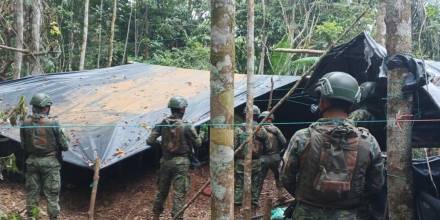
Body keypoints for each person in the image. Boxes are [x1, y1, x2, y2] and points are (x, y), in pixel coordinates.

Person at [280, 72, 384, 220]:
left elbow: (286, 177)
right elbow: (376, 183)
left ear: (323, 102)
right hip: (349, 214)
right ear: (352, 104)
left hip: (306, 212)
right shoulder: (368, 141)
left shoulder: (302, 137)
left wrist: (306, 198)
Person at [147, 96, 201, 220]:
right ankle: (177, 218)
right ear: (182, 110)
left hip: (165, 161)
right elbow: (197, 143)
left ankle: (156, 215)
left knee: (162, 191)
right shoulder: (187, 126)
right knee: (179, 193)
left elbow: (150, 141)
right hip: (181, 163)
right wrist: (201, 135)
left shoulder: (162, 123)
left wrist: (161, 146)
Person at [20, 93, 69, 220]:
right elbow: (65, 146)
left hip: (32, 162)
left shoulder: (25, 123)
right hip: (50, 163)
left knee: (32, 193)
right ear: (46, 108)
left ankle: (31, 217)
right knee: (52, 196)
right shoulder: (53, 123)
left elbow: (23, 146)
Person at [234, 105, 271, 210]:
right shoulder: (261, 129)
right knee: (255, 182)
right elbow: (268, 146)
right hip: (256, 161)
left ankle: (237, 202)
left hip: (241, 160)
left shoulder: (238, 129)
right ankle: (253, 202)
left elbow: (234, 145)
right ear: (257, 115)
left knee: (239, 182)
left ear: (245, 115)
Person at [258, 111, 287, 201]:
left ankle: (255, 199)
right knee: (278, 177)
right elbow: (284, 142)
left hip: (262, 158)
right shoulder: (276, 129)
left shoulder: (258, 129)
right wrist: (280, 152)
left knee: (259, 179)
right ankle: (281, 195)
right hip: (275, 157)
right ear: (271, 119)